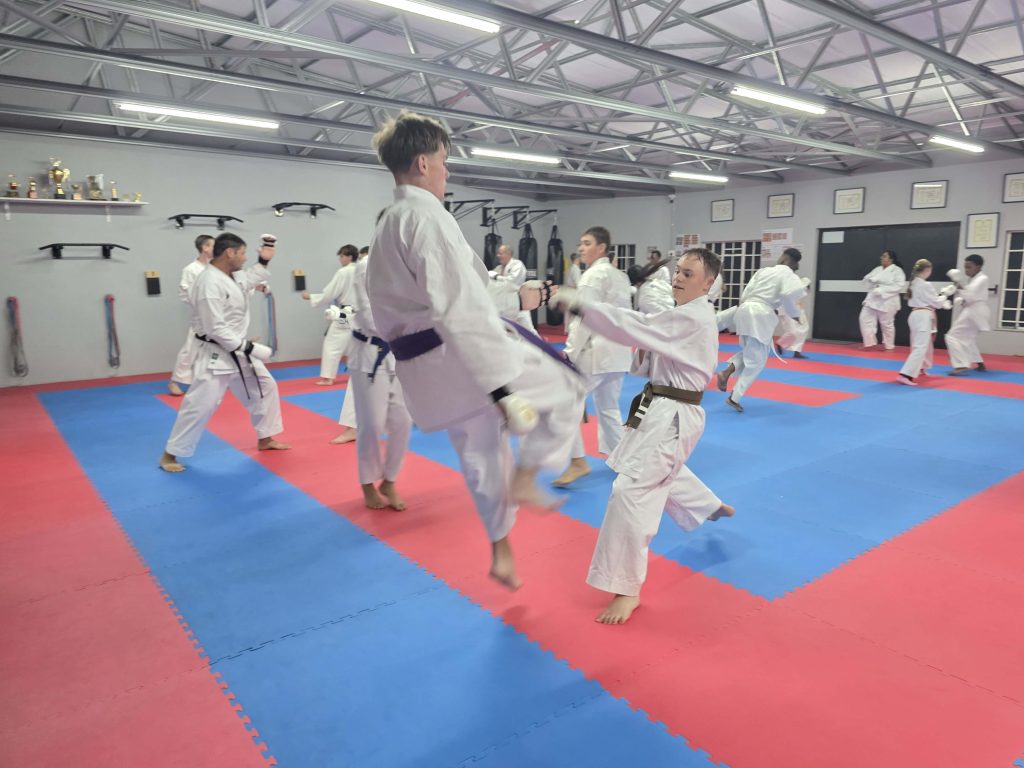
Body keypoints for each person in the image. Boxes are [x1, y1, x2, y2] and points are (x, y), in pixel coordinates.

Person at [366, 109, 584, 590]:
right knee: (568, 385)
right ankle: (528, 475)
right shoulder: (427, 217)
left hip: (425, 371)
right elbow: (460, 307)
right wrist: (501, 387)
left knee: (481, 455)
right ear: (423, 163)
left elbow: (455, 296)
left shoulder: (387, 226)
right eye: (444, 162)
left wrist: (516, 299)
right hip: (462, 358)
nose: (447, 173)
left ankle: (501, 550)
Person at [553, 248, 735, 625]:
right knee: (648, 469)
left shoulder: (693, 317)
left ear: (708, 283)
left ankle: (627, 589)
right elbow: (645, 353)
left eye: (688, 274)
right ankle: (707, 505)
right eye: (678, 271)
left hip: (674, 415)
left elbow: (634, 325)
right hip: (659, 409)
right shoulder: (683, 314)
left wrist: (582, 305)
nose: (678, 278)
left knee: (631, 491)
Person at [160, 233, 289, 472]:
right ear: (229, 253)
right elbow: (215, 328)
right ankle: (170, 454)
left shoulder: (231, 275)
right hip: (216, 353)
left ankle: (266, 437)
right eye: (242, 253)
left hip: (237, 350)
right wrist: (251, 348)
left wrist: (264, 260)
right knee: (201, 404)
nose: (244, 258)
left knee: (265, 387)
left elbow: (248, 280)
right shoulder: (208, 283)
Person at [550, 227, 633, 488]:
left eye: (587, 243)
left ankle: (578, 461)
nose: (581, 248)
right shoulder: (620, 276)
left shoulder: (592, 276)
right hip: (619, 352)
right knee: (608, 407)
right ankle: (625, 462)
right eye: (581, 243)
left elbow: (584, 317)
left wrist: (570, 352)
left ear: (602, 247)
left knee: (564, 404)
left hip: (596, 353)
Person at [348, 237, 412, 510]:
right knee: (372, 424)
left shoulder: (408, 267)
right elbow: (367, 316)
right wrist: (407, 325)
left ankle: (390, 480)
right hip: (370, 353)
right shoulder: (364, 268)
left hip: (400, 352)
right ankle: (367, 483)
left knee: (403, 421)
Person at [716, 248, 806, 412]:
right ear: (794, 264)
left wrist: (746, 307)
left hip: (745, 309)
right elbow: (788, 295)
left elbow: (746, 293)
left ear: (784, 258)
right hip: (760, 314)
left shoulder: (764, 271)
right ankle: (734, 397)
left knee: (750, 352)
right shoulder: (789, 275)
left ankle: (727, 373)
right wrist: (795, 315)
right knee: (757, 361)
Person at [303, 244, 359, 387]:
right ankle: (363, 374)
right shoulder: (363, 270)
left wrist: (311, 297)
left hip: (345, 313)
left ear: (349, 257)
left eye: (342, 256)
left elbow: (330, 294)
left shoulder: (343, 272)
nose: (340, 259)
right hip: (362, 314)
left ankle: (328, 378)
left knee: (332, 344)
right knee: (359, 344)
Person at [168, 234, 214, 396]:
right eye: (213, 245)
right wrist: (203, 302)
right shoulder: (191, 269)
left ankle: (221, 379)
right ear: (205, 248)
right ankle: (175, 381)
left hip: (218, 316)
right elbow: (185, 293)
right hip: (201, 317)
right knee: (190, 349)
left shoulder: (216, 268)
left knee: (223, 349)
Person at [897, 259, 951, 385]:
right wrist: (945, 295)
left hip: (915, 315)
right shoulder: (925, 285)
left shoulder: (914, 283)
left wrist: (942, 299)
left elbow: (932, 301)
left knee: (925, 344)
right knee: (920, 346)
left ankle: (921, 367)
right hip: (923, 315)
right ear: (927, 270)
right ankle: (905, 375)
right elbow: (936, 302)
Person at [944, 254, 991, 375]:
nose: (966, 270)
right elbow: (969, 296)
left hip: (974, 311)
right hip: (975, 310)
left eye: (969, 267)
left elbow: (970, 294)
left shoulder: (982, 278)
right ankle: (980, 363)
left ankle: (961, 365)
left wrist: (957, 283)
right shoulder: (974, 279)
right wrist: (962, 299)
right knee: (968, 338)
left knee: (952, 336)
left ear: (978, 267)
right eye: (965, 267)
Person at [859, 250, 906, 350]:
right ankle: (869, 343)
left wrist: (882, 290)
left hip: (888, 300)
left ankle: (889, 346)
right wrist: (869, 281)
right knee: (864, 319)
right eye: (882, 256)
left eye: (884, 256)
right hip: (873, 298)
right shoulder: (877, 269)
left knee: (886, 324)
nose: (881, 257)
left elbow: (899, 286)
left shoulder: (897, 271)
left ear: (891, 259)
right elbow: (867, 280)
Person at [490, 244, 535, 330]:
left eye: (500, 253)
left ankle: (536, 340)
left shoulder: (517, 265)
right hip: (503, 305)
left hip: (518, 303)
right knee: (502, 331)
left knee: (528, 331)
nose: (498, 256)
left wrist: (496, 277)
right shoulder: (498, 268)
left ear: (509, 254)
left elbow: (511, 283)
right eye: (498, 253)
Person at [775, 276, 811, 359]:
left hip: (798, 312)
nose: (808, 288)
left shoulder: (800, 292)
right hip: (788, 313)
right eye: (808, 286)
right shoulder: (791, 291)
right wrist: (778, 311)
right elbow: (783, 300)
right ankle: (780, 343)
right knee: (793, 332)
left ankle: (797, 352)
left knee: (803, 330)